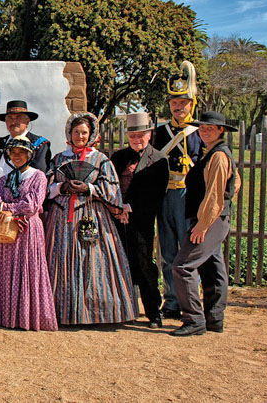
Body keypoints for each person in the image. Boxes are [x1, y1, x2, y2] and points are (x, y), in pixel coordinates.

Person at [44, 113, 138, 325]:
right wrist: (62, 187)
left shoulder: (100, 159)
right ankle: (60, 311)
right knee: (60, 259)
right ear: (70, 132)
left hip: (92, 215)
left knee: (92, 259)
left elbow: (113, 190)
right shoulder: (59, 159)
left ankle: (95, 312)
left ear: (91, 134)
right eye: (76, 132)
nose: (80, 136)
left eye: (84, 132)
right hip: (62, 219)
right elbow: (46, 187)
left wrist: (90, 188)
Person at [171, 111, 241, 337]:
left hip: (209, 220)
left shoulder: (219, 156)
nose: (205, 131)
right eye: (202, 128)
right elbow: (236, 181)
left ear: (221, 130)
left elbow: (215, 195)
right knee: (212, 267)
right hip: (214, 218)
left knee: (183, 266)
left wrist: (203, 224)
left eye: (210, 128)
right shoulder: (211, 153)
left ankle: (194, 319)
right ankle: (214, 318)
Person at [0, 136, 57, 331]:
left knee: (28, 270)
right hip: (7, 230)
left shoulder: (38, 177)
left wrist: (10, 209)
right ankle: (8, 316)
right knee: (8, 269)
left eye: (21, 153)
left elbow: (33, 204)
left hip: (28, 230)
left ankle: (28, 316)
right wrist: (12, 209)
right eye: (13, 153)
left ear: (29, 154)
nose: (17, 156)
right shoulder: (4, 179)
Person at [153, 61, 204, 320]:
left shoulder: (199, 133)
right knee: (167, 252)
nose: (178, 107)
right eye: (174, 103)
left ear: (191, 104)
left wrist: (192, 166)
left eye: (183, 102)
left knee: (187, 251)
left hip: (188, 197)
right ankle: (171, 300)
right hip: (165, 195)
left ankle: (190, 302)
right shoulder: (161, 132)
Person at [110, 112, 169, 328]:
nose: (137, 139)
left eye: (141, 135)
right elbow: (111, 186)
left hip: (141, 220)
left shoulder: (160, 160)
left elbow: (155, 195)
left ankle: (153, 312)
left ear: (149, 134)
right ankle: (122, 309)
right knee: (118, 264)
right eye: (133, 135)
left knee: (145, 266)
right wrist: (117, 208)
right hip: (117, 219)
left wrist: (130, 209)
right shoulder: (118, 157)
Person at [0, 100, 51, 207]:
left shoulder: (39, 144)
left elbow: (38, 176)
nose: (14, 122)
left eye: (19, 118)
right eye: (10, 118)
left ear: (27, 121)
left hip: (25, 207)